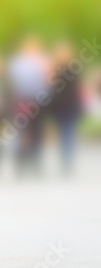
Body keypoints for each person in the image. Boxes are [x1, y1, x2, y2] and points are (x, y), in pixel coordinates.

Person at [6, 36, 50, 176]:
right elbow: (14, 80)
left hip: (39, 100)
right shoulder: (18, 63)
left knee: (37, 131)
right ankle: (21, 162)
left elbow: (49, 80)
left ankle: (36, 161)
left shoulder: (43, 61)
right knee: (22, 130)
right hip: (22, 100)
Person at [49, 42, 83, 175]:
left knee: (68, 132)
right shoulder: (58, 70)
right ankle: (65, 161)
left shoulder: (72, 69)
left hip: (68, 106)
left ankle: (67, 161)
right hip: (60, 107)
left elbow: (75, 90)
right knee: (64, 133)